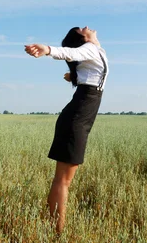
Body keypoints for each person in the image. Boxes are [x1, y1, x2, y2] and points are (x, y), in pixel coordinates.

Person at [24, 26, 108, 234]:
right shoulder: (88, 48)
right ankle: (57, 233)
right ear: (83, 38)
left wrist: (73, 77)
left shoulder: (95, 51)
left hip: (80, 118)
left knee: (62, 180)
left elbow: (88, 70)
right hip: (76, 119)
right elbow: (71, 53)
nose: (87, 27)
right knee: (63, 180)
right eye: (82, 29)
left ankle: (53, 228)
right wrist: (48, 49)